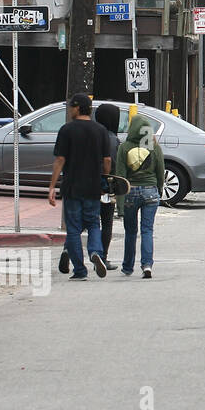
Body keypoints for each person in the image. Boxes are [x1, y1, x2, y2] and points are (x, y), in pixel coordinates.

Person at [48, 93, 112, 280]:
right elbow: (107, 159)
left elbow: (60, 159)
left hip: (72, 186)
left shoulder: (66, 130)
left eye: (71, 107)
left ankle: (80, 270)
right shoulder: (100, 130)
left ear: (77, 108)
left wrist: (52, 186)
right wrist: (104, 179)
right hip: (93, 186)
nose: (69, 110)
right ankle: (95, 253)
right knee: (93, 223)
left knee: (74, 228)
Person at [116, 110, 164, 279]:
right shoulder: (154, 147)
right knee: (147, 230)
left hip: (130, 192)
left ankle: (128, 267)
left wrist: (119, 205)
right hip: (150, 192)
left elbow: (120, 177)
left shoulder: (124, 147)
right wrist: (159, 190)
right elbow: (161, 172)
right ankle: (147, 265)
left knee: (130, 231)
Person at [94, 103, 122, 272]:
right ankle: (102, 257)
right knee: (107, 222)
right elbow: (114, 164)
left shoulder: (91, 134)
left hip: (87, 184)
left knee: (86, 220)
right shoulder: (112, 139)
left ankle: (70, 249)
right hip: (107, 186)